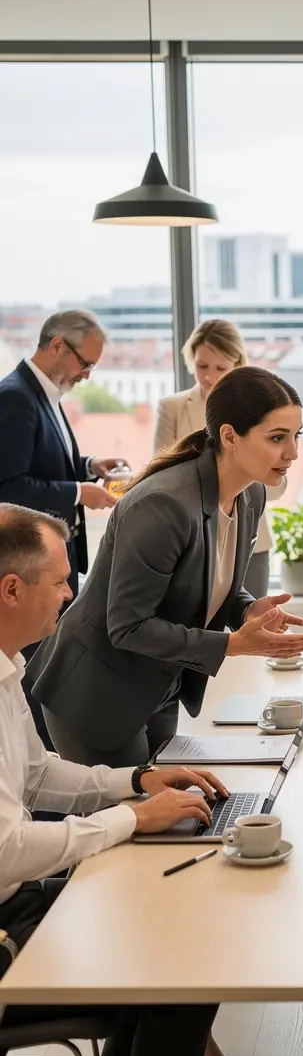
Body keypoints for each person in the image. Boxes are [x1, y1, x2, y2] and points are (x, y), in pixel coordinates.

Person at [30, 367, 303, 1056]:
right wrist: (233, 648)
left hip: (156, 692)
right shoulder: (159, 504)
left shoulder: (246, 495)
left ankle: (185, 1051)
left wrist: (251, 614)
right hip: (96, 700)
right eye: (276, 438)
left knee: (174, 882)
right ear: (229, 436)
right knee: (143, 893)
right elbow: (127, 625)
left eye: (297, 437)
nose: (291, 453)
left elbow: (213, 588)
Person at [0, 502, 228, 1056]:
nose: (72, 595)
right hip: (6, 937)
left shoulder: (7, 666)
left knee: (183, 924)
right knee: (178, 962)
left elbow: (38, 773)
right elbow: (8, 850)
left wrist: (136, 779)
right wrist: (132, 820)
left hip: (18, 903)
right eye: (61, 581)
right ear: (11, 590)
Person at [0, 309, 128, 743]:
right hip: (31, 568)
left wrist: (89, 467)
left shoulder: (42, 393)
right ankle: (39, 778)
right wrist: (79, 492)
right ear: (56, 345)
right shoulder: (14, 397)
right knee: (36, 682)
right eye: (84, 363)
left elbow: (46, 462)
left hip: (54, 565)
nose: (87, 376)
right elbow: (9, 485)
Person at [154, 319, 278, 598]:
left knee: (252, 626)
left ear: (238, 364)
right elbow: (160, 477)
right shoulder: (171, 408)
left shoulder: (263, 411)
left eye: (220, 368)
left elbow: (277, 485)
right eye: (202, 366)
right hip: (190, 541)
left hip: (249, 542)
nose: (209, 376)